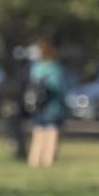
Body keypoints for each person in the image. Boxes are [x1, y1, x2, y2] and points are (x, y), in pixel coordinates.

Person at [25, 37, 68, 168]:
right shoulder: (55, 68)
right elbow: (60, 87)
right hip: (53, 106)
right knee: (51, 134)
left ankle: (34, 160)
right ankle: (47, 162)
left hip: (37, 106)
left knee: (38, 134)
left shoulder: (35, 68)